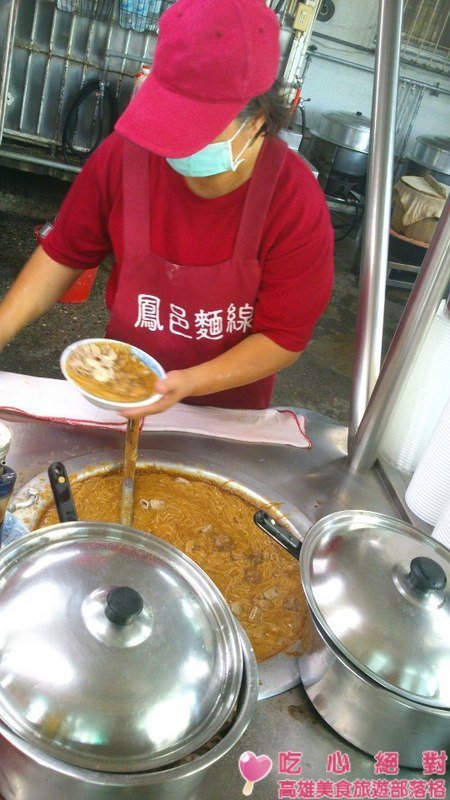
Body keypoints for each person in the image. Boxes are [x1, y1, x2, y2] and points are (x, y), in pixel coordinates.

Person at [0, 0, 334, 416]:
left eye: (193, 132)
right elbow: (63, 252)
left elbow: (285, 337)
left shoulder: (294, 200)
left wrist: (189, 383)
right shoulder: (124, 156)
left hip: (227, 417)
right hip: (122, 389)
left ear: (258, 118)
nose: (174, 149)